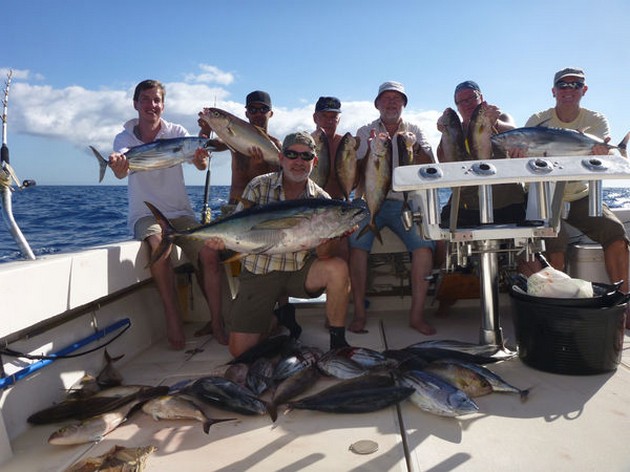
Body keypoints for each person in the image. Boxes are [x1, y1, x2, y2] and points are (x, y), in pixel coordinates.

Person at [204, 131, 352, 358]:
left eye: (306, 157)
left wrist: (335, 234)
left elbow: (323, 255)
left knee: (338, 268)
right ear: (281, 158)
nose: (298, 162)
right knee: (239, 352)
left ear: (314, 162)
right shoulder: (258, 186)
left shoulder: (321, 200)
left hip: (298, 271)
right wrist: (220, 241)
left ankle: (338, 343)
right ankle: (277, 320)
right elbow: (239, 230)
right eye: (292, 154)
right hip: (260, 272)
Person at [108, 79, 226, 349]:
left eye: (157, 100)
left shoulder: (177, 132)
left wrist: (200, 158)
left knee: (209, 252)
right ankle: (173, 319)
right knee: (159, 250)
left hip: (181, 212)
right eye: (147, 99)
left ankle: (218, 322)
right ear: (136, 104)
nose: (152, 105)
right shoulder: (124, 136)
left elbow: (199, 162)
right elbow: (122, 169)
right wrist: (117, 165)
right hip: (145, 213)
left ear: (163, 104)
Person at [518, 67, 629, 324]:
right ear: (554, 90)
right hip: (545, 195)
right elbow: (525, 153)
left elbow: (599, 157)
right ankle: (558, 312)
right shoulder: (537, 119)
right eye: (563, 85)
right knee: (555, 243)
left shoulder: (595, 121)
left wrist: (604, 152)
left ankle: (623, 305)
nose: (569, 90)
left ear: (584, 90)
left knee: (615, 232)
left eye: (575, 85)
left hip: (581, 193)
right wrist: (519, 152)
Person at [348, 81, 437, 335]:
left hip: (404, 202)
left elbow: (431, 164)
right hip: (369, 202)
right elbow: (354, 170)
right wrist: (369, 149)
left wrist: (414, 146)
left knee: (423, 247)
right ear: (377, 104)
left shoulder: (416, 130)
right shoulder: (365, 131)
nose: (391, 103)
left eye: (397, 99)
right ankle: (360, 313)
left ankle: (417, 316)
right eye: (386, 99)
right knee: (356, 246)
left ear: (404, 104)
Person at [194, 90, 282, 338]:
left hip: (262, 213)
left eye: (262, 109)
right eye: (252, 109)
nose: (257, 114)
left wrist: (258, 168)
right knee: (207, 254)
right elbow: (208, 146)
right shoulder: (232, 139)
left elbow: (281, 183)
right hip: (233, 210)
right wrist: (206, 128)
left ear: (270, 113)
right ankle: (217, 322)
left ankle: (279, 316)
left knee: (273, 257)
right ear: (245, 113)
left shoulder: (276, 147)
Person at [437, 80, 526, 227]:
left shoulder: (501, 118)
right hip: (466, 205)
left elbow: (516, 134)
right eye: (462, 101)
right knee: (440, 237)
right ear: (457, 107)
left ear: (481, 98)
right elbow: (443, 160)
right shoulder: (454, 129)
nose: (467, 103)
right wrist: (445, 132)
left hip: (508, 201)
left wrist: (494, 124)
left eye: (472, 98)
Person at [312, 96, 349, 261]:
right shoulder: (304, 143)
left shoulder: (346, 145)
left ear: (338, 119)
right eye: (324, 116)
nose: (328, 121)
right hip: (310, 207)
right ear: (315, 118)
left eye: (333, 117)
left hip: (338, 206)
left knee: (344, 251)